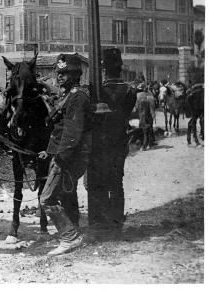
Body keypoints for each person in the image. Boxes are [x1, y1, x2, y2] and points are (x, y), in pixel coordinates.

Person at [37, 53, 92, 256]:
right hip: (65, 153)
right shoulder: (67, 95)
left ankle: (70, 237)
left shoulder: (77, 97)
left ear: (76, 74)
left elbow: (72, 133)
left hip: (70, 156)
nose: (60, 77)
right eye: (59, 73)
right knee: (64, 194)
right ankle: (73, 232)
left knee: (47, 199)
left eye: (65, 73)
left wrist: (59, 158)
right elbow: (60, 130)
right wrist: (49, 152)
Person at [87, 48, 136, 240]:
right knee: (116, 183)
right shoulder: (130, 91)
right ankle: (116, 226)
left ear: (103, 68)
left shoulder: (98, 90)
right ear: (120, 67)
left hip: (99, 145)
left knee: (98, 183)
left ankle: (101, 223)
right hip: (119, 143)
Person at [134, 83, 156, 150]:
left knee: (144, 129)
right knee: (149, 127)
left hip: (142, 115)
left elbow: (136, 108)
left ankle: (144, 145)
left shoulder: (137, 96)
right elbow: (153, 108)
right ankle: (150, 142)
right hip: (149, 115)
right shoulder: (150, 96)